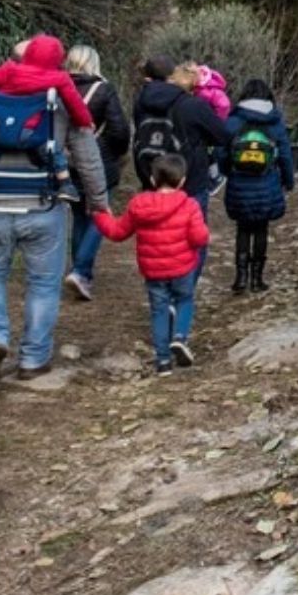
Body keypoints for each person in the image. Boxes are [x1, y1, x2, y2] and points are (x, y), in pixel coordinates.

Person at [0, 39, 107, 384]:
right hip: (43, 206)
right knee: (43, 284)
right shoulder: (60, 100)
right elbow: (88, 157)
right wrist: (98, 202)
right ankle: (33, 358)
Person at [93, 154, 209, 374]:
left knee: (159, 310)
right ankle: (180, 337)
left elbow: (118, 232)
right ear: (183, 180)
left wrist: (100, 216)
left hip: (153, 271)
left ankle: (163, 361)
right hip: (182, 268)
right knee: (184, 299)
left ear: (153, 181)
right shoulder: (190, 205)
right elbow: (199, 238)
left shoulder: (139, 205)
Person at [130, 57, 231, 284]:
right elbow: (222, 136)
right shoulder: (194, 105)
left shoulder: (141, 102)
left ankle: (161, 290)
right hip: (190, 180)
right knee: (193, 239)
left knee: (157, 239)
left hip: (152, 178)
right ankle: (183, 291)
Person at [63, 44, 131, 302]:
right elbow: (119, 130)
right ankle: (81, 271)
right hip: (99, 161)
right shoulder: (103, 90)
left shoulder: (57, 89)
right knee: (99, 215)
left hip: (67, 163)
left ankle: (81, 271)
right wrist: (115, 153)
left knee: (79, 216)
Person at [222, 78, 297, 293]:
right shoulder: (275, 122)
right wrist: (288, 181)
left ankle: (240, 278)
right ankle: (257, 279)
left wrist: (228, 171)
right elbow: (285, 155)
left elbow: (222, 152)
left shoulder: (234, 120)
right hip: (267, 182)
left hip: (239, 182)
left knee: (243, 229)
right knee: (261, 229)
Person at [0, 35, 97, 130]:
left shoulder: (8, 71)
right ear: (59, 58)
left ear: (29, 52)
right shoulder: (60, 78)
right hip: (35, 134)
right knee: (55, 155)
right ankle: (61, 171)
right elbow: (75, 104)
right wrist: (85, 122)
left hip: (1, 127)